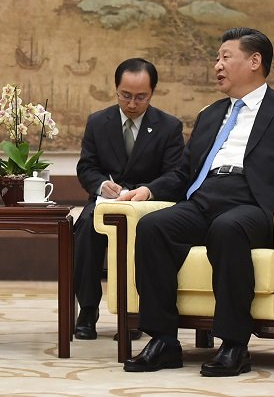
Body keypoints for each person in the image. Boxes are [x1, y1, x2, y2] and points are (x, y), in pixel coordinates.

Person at [120, 28, 274, 376]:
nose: (217, 66)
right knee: (153, 226)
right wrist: (149, 191)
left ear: (254, 61)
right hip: (207, 196)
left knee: (228, 228)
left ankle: (233, 345)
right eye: (217, 58)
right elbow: (184, 172)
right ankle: (164, 340)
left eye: (226, 57)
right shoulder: (211, 114)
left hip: (257, 202)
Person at [73, 58, 184, 340]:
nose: (132, 103)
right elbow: (86, 167)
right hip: (106, 201)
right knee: (85, 229)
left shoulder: (169, 126)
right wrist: (100, 185)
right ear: (116, 89)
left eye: (140, 97)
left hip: (147, 204)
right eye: (125, 95)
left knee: (145, 235)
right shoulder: (98, 122)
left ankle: (133, 313)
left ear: (152, 93)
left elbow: (176, 174)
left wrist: (149, 190)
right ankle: (87, 310)